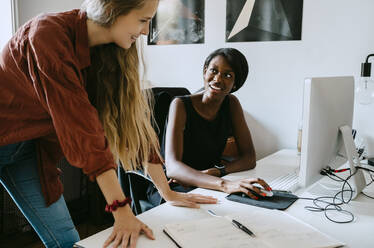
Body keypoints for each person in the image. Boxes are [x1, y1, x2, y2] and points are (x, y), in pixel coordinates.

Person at [0, 0, 217, 247]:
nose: (146, 32)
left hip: (28, 150)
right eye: (143, 20)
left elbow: (131, 125)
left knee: (66, 240)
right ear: (113, 12)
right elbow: (81, 127)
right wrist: (121, 210)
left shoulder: (109, 49)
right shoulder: (48, 34)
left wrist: (165, 192)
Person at [164, 48, 272, 198]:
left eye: (227, 75)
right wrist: (224, 184)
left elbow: (249, 158)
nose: (217, 79)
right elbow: (173, 167)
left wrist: (217, 171)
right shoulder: (180, 105)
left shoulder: (231, 104)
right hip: (177, 184)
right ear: (205, 71)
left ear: (235, 84)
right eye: (213, 71)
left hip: (211, 180)